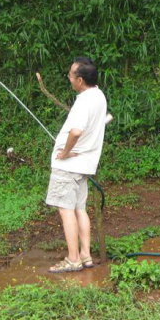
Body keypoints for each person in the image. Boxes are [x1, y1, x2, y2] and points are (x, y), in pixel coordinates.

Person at [47, 57, 108, 273]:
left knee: (66, 211)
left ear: (80, 80)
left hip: (69, 166)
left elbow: (76, 131)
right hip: (84, 165)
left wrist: (64, 152)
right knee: (79, 209)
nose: (69, 78)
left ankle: (73, 259)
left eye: (71, 75)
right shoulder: (99, 96)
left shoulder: (83, 101)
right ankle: (85, 255)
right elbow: (101, 121)